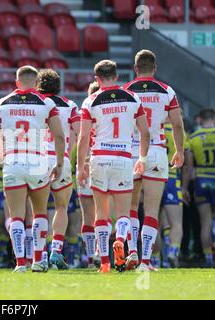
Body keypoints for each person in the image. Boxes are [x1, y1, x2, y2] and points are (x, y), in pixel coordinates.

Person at [77, 60, 150, 273]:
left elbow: (83, 137)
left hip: (99, 158)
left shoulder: (91, 100)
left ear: (97, 79)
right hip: (123, 158)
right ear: (116, 76)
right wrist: (142, 159)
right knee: (123, 212)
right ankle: (120, 239)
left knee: (101, 213)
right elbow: (145, 132)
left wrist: (81, 166)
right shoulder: (133, 97)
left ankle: (106, 262)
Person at [0, 65, 65, 273]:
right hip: (38, 161)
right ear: (36, 82)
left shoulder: (2, 103)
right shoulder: (46, 103)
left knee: (16, 216)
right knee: (40, 213)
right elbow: (59, 136)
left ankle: (20, 263)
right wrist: (59, 164)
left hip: (13, 161)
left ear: (16, 82)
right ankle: (39, 260)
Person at [124, 49, 185, 271]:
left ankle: (132, 251)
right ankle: (146, 261)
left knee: (130, 206)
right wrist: (179, 150)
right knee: (151, 209)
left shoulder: (126, 90)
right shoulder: (166, 90)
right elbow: (177, 124)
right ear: (155, 68)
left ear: (135, 68)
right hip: (158, 150)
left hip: (131, 150)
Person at [35, 69, 80, 269]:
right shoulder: (69, 106)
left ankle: (37, 255)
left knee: (38, 211)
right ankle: (55, 251)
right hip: (60, 159)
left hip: (35, 160)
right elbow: (81, 132)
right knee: (61, 207)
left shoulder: (31, 103)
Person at [184, 108, 215, 267]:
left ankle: (208, 258)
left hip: (202, 179)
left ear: (201, 120)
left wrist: (184, 187)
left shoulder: (193, 137)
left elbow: (189, 167)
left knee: (205, 222)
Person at [159, 118, 190, 268]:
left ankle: (154, 259)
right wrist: (184, 187)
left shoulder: (154, 128)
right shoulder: (179, 132)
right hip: (172, 179)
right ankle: (173, 252)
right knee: (176, 223)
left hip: (154, 178)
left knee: (153, 222)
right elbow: (188, 161)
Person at [78, 81, 100, 269]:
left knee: (87, 215)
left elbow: (80, 140)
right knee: (105, 213)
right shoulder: (112, 109)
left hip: (86, 164)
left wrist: (80, 166)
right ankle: (103, 253)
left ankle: (91, 259)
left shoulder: (83, 112)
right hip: (104, 162)